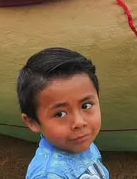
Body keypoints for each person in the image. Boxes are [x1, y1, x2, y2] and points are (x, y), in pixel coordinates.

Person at [17, 48, 108, 179]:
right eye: (60, 114)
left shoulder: (81, 141)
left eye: (86, 106)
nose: (79, 122)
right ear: (32, 122)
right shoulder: (49, 174)